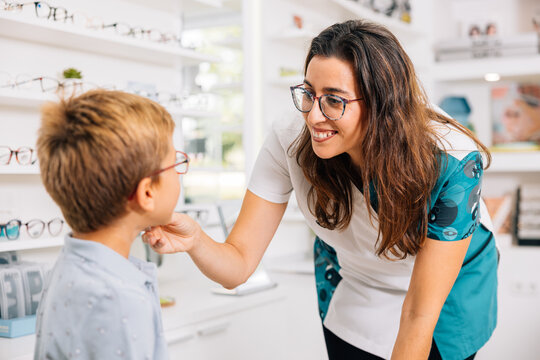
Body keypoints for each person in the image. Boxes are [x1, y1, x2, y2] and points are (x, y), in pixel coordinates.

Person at [143, 20, 498, 360]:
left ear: (381, 104)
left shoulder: (453, 160)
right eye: (309, 94)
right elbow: (237, 265)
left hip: (447, 295)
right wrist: (195, 240)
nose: (314, 115)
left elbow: (420, 313)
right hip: (355, 282)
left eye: (334, 99)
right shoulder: (289, 139)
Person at [34, 90, 189, 359]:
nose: (180, 170)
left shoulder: (68, 269)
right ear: (147, 193)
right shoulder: (119, 300)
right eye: (175, 162)